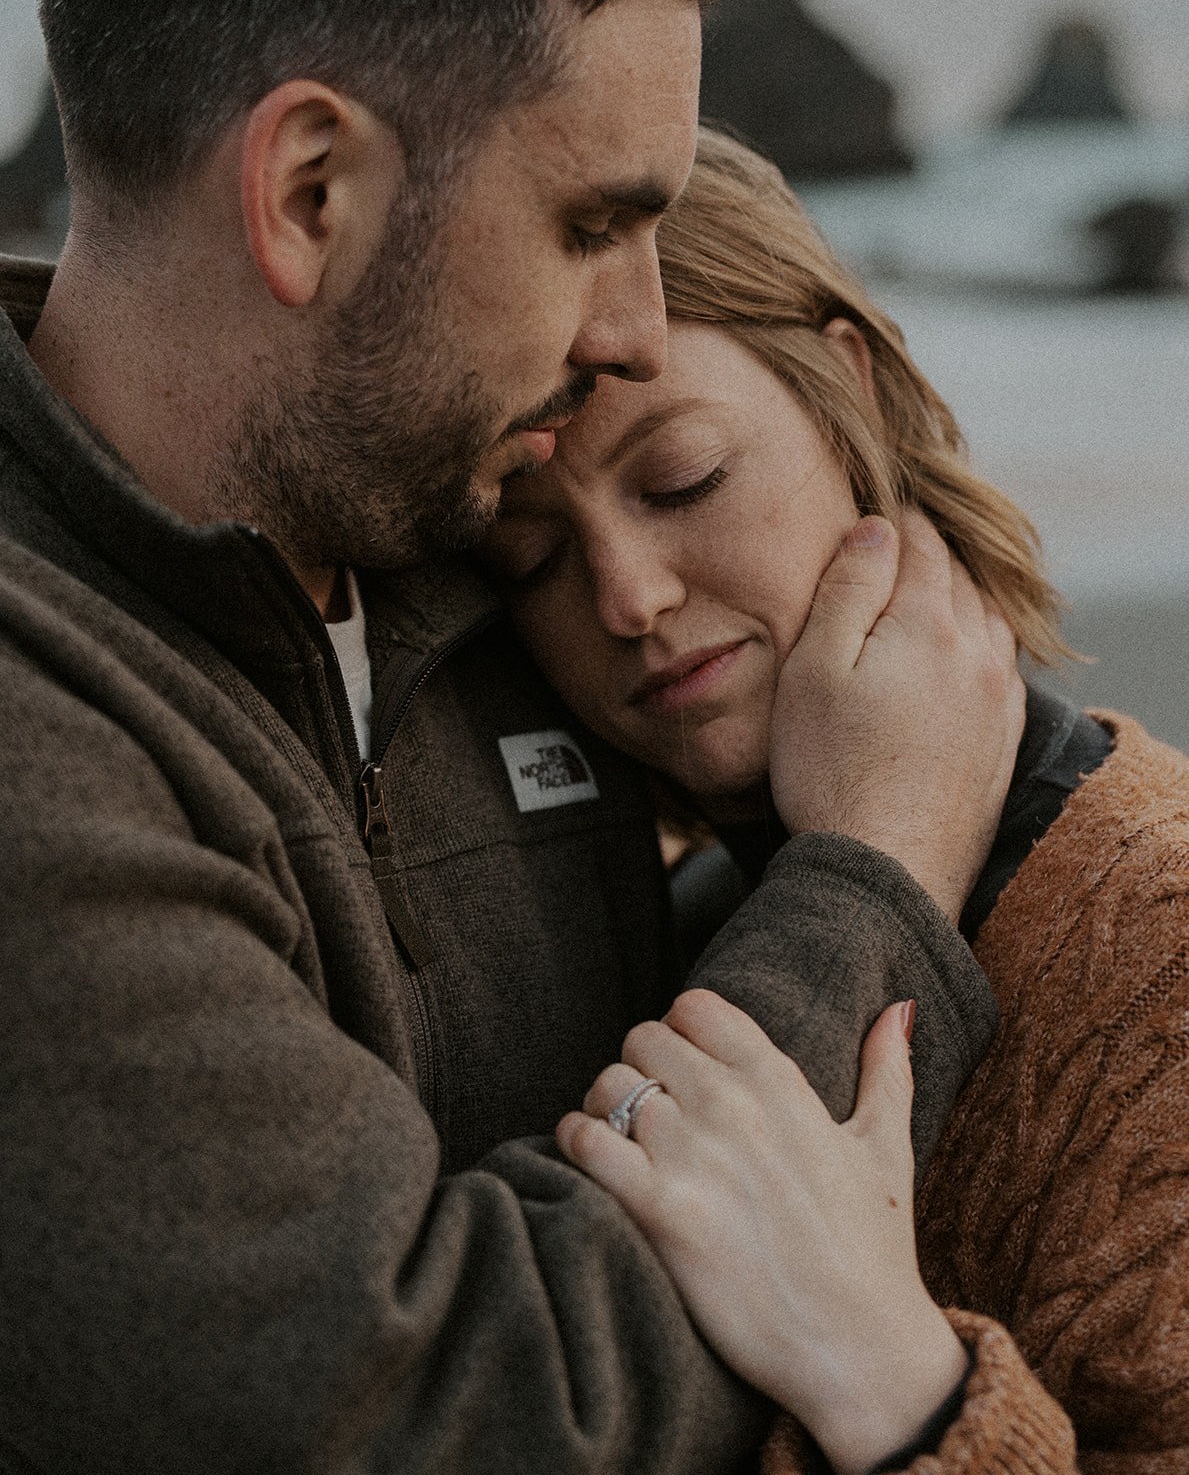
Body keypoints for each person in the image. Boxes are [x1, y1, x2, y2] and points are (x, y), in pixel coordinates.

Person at [0, 0, 1029, 1468]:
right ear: (310, 190)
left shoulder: (476, 544)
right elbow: (452, 1410)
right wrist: (879, 874)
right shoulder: (40, 725)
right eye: (592, 225)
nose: (635, 327)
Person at [481, 127, 1189, 1472]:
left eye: (681, 478)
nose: (627, 596)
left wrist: (902, 1388)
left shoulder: (1160, 942)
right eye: (527, 559)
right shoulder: (668, 919)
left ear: (844, 390)